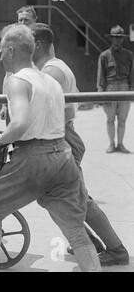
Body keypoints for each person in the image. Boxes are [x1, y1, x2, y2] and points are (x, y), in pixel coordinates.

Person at [0, 24, 101, 272]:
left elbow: (21, 123)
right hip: (62, 155)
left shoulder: (17, 81)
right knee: (76, 231)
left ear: (12, 50)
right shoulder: (50, 82)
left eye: (1, 49)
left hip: (33, 157)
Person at [31, 23, 129, 266]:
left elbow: (53, 113)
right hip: (61, 136)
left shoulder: (51, 72)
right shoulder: (52, 67)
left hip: (60, 137)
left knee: (78, 200)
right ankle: (88, 242)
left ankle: (116, 250)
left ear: (38, 44)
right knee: (54, 198)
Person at [97, 25, 134, 154]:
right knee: (110, 119)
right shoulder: (104, 56)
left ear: (123, 39)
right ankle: (112, 144)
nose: (117, 41)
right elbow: (101, 77)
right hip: (110, 88)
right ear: (111, 39)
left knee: (123, 119)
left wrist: (131, 91)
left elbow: (132, 75)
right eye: (115, 38)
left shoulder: (129, 55)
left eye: (120, 38)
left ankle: (121, 144)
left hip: (124, 88)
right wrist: (100, 95)